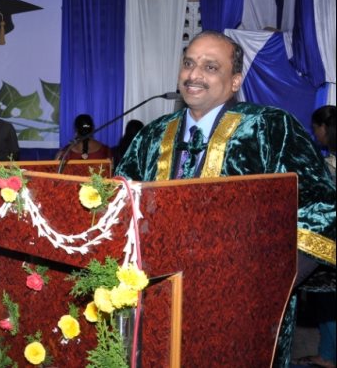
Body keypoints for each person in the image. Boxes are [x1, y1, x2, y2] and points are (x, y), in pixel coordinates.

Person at [115, 31, 335, 365]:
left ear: (235, 81)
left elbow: (323, 207)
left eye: (210, 67)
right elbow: (120, 206)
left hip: (244, 309)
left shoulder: (270, 128)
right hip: (156, 298)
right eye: (188, 63)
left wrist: (276, 282)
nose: (194, 74)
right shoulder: (152, 135)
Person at [293, 106, 336, 368]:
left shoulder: (327, 167)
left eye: (315, 128)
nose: (314, 134)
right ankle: (327, 353)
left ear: (325, 128)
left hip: (328, 239)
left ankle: (328, 355)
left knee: (327, 298)